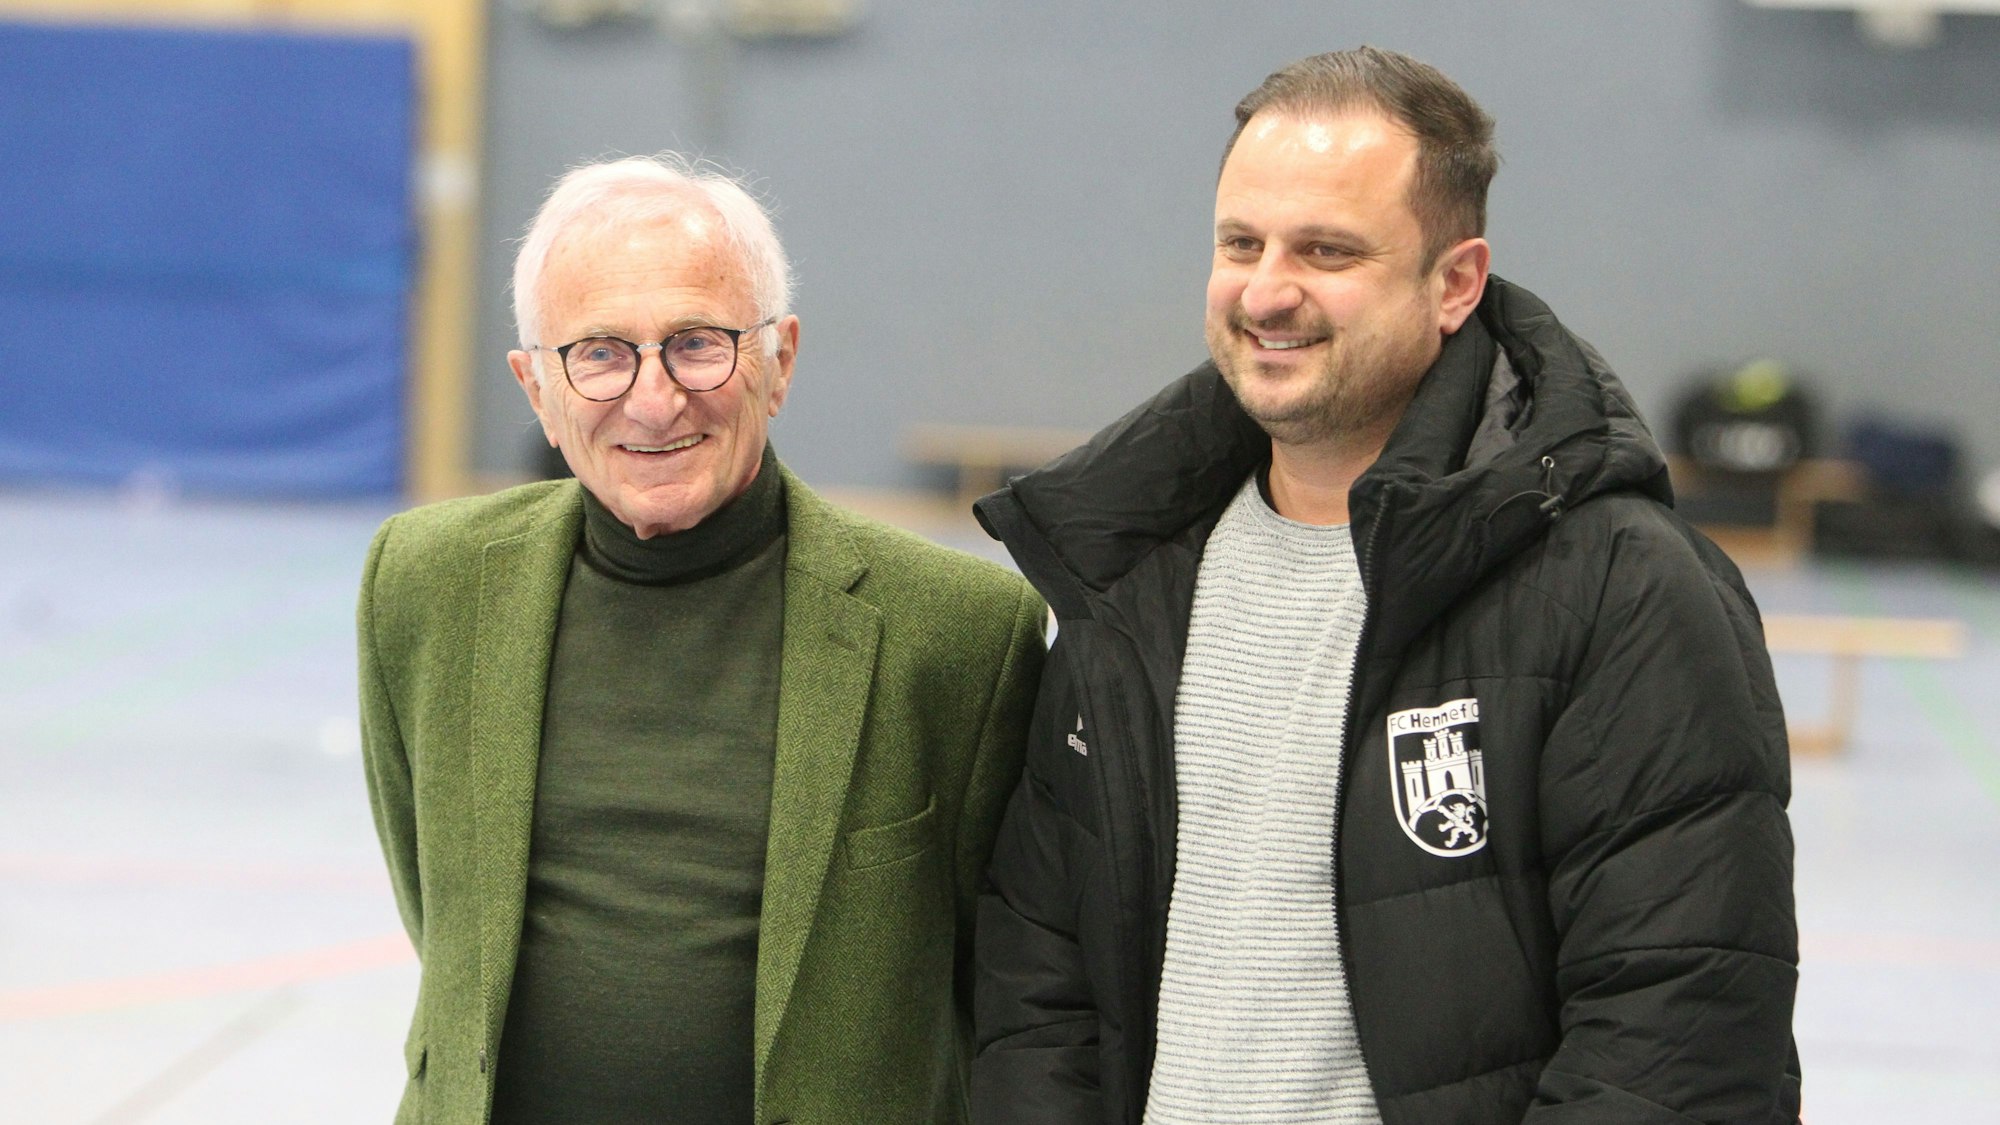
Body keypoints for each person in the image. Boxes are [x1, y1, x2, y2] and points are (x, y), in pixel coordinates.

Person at [970, 47, 1801, 1125]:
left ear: (1452, 282)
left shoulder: (1621, 591)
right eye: (1240, 243)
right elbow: (1038, 974)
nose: (1266, 291)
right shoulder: (1129, 579)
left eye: (1326, 250)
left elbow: (1675, 1031)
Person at [357, 154, 1046, 1124]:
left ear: (779, 360)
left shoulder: (958, 633)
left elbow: (1007, 997)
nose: (652, 399)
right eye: (599, 351)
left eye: (696, 344)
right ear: (534, 388)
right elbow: (441, 905)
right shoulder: (424, 585)